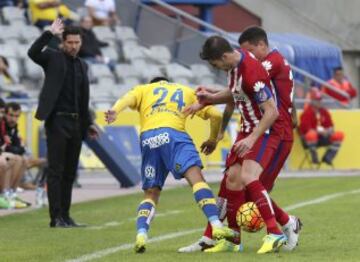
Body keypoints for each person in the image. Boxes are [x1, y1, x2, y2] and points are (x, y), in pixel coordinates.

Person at [179, 27, 301, 253]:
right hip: (250, 129)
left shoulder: (259, 67)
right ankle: (230, 239)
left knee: (251, 184)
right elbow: (236, 93)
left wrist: (252, 137)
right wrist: (208, 100)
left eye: (216, 64)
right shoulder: (236, 67)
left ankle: (279, 228)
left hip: (268, 131)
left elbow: (270, 109)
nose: (216, 69)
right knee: (232, 180)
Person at [105, 77, 234, 253]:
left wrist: (114, 110)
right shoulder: (186, 91)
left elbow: (126, 99)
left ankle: (141, 235)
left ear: (154, 83)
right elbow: (216, 115)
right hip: (174, 136)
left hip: (149, 139)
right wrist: (212, 139)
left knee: (151, 193)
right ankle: (217, 225)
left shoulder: (143, 89)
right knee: (196, 180)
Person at [27, 19, 99, 228]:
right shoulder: (52, 57)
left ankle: (66, 216)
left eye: (77, 42)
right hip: (57, 120)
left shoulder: (83, 65)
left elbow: (82, 98)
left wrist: (89, 124)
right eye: (70, 42)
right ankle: (55, 217)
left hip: (76, 124)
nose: (74, 46)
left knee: (70, 172)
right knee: (56, 171)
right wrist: (48, 33)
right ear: (63, 42)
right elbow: (32, 52)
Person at [299, 88, 344, 165]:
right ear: (312, 101)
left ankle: (328, 158)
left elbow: (331, 126)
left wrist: (328, 131)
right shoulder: (307, 113)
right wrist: (320, 132)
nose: (319, 102)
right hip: (310, 141)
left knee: (339, 135)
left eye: (320, 100)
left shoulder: (324, 112)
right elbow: (306, 129)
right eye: (317, 100)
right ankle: (314, 158)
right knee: (311, 134)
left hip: (323, 137)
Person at [0, 99, 29, 209]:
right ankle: (4, 194)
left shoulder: (13, 127)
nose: (13, 119)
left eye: (17, 116)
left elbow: (19, 147)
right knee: (11, 158)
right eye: (11, 115)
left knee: (22, 160)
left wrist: (16, 149)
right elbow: (7, 146)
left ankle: (11, 193)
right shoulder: (3, 125)